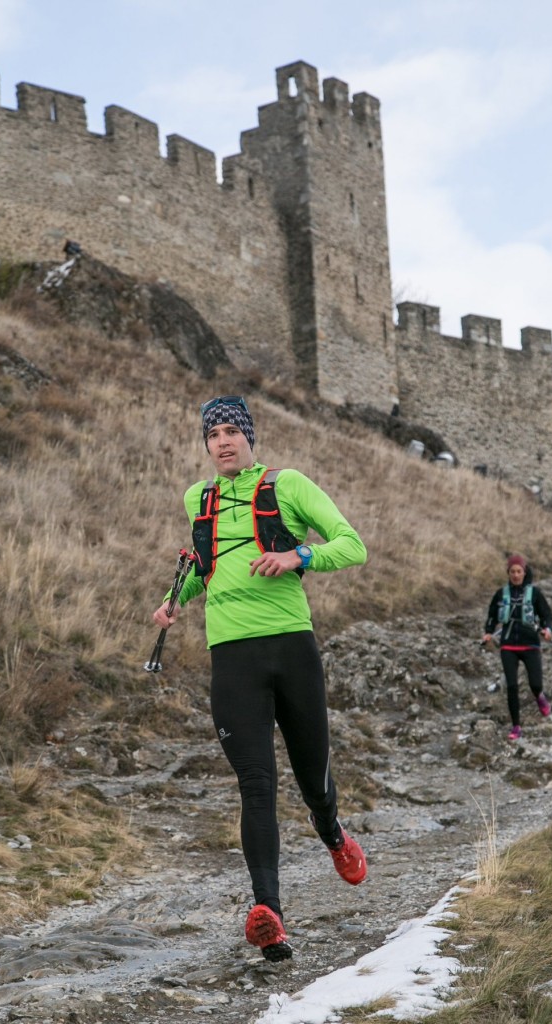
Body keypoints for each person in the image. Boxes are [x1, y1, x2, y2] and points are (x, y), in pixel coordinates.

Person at [152, 395, 368, 962]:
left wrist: (299, 557)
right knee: (256, 783)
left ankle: (332, 833)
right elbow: (206, 567)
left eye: (231, 431)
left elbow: (352, 546)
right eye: (213, 434)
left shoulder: (287, 485)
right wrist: (174, 599)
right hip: (232, 657)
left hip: (292, 648)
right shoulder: (198, 498)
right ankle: (268, 913)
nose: (222, 441)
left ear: (249, 437)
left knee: (313, 780)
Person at [482, 554, 552, 741]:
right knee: (512, 686)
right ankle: (516, 726)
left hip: (530, 644)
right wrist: (488, 632)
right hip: (508, 645)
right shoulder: (501, 594)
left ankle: (540, 696)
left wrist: (547, 629)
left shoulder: (535, 593)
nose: (515, 575)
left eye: (519, 571)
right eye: (512, 572)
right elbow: (492, 616)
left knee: (535, 684)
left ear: (524, 572)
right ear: (508, 573)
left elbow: (546, 615)